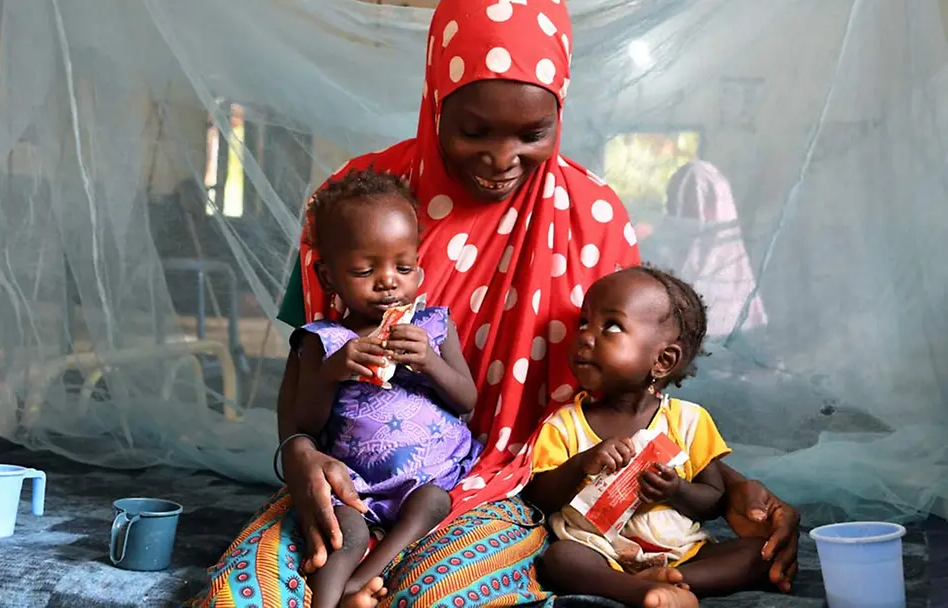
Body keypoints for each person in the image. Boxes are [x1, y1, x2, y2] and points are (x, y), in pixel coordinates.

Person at [193, 1, 800, 606]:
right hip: (344, 476)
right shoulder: (359, 203)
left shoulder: (594, 220)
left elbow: (632, 381)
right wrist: (298, 452)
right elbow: (309, 349)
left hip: (506, 489)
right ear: (436, 99)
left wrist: (736, 487)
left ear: (559, 114)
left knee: (439, 597)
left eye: (532, 133)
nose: (501, 158)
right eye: (474, 130)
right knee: (244, 598)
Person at [293, 168, 483, 607]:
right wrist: (331, 372)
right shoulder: (323, 340)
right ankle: (327, 601)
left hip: (429, 473)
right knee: (345, 533)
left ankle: (363, 581)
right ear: (328, 278)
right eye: (364, 270)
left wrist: (431, 363)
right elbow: (305, 424)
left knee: (433, 503)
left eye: (403, 267)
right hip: (356, 484)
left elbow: (467, 402)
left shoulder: (434, 325)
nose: (388, 281)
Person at [526, 267, 770, 608]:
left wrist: (678, 491)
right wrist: (582, 463)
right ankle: (640, 591)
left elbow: (714, 502)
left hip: (682, 552)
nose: (585, 336)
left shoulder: (689, 421)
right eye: (584, 322)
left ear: (663, 360)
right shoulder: (565, 425)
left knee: (760, 552)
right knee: (560, 559)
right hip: (600, 553)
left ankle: (676, 583)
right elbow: (539, 500)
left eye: (611, 326)